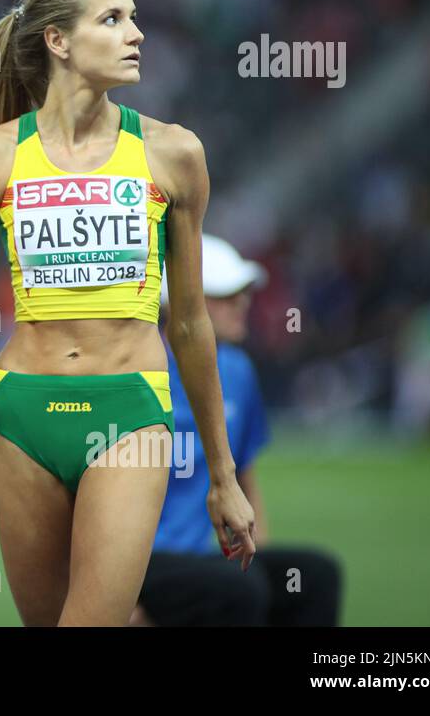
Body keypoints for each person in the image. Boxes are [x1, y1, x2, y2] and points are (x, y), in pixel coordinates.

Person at [0, 0, 255, 627]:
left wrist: (222, 474)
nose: (136, 33)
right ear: (58, 41)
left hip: (130, 412)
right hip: (20, 416)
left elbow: (190, 325)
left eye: (134, 17)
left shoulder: (173, 153)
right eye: (113, 18)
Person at [131, 234, 343, 625]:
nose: (242, 304)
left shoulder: (237, 371)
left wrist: (254, 555)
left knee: (317, 575)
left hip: (208, 558)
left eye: (243, 293)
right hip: (140, 563)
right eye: (227, 296)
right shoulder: (132, 370)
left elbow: (244, 479)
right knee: (239, 590)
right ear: (181, 302)